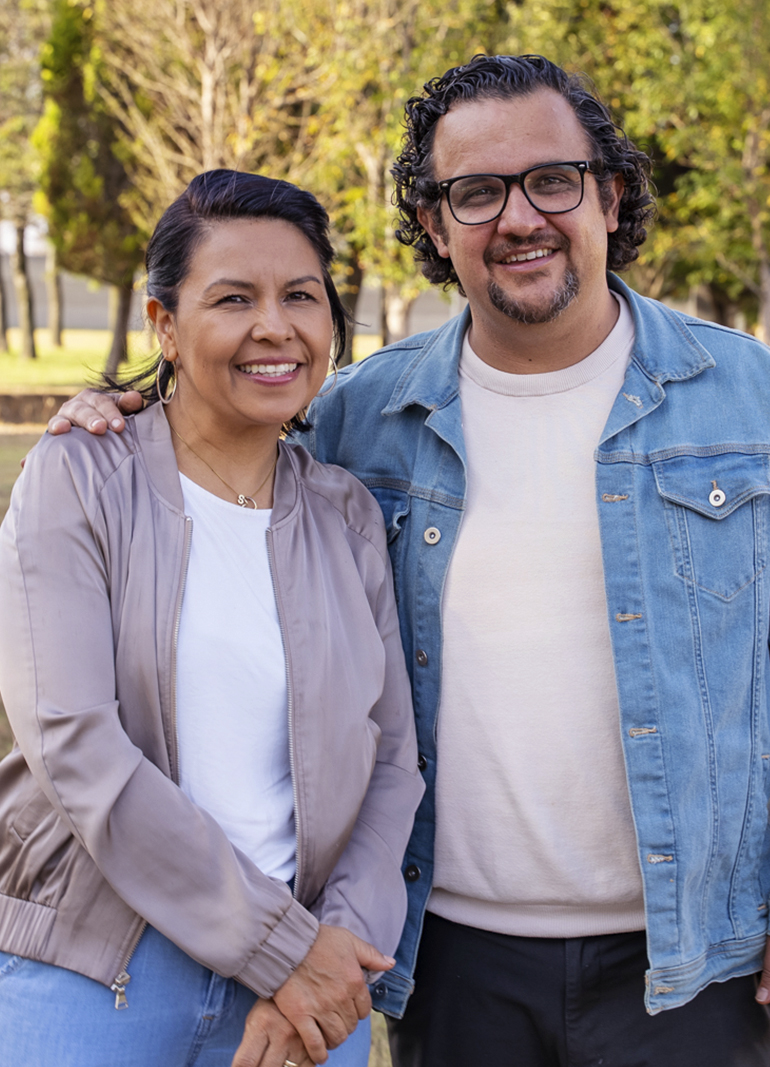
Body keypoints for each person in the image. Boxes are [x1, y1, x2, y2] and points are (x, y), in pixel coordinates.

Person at [47, 54, 770, 1067]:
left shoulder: (741, 392)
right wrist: (123, 409)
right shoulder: (360, 416)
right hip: (454, 962)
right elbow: (223, 427)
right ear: (433, 222)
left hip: (691, 962)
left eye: (552, 180)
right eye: (476, 193)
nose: (519, 218)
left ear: (610, 195)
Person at [0, 169, 424, 1067]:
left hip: (305, 988)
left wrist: (335, 947)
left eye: (300, 295)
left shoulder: (346, 515)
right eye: (234, 298)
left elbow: (391, 760)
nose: (274, 326)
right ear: (164, 324)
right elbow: (75, 742)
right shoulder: (80, 478)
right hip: (100, 975)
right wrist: (281, 947)